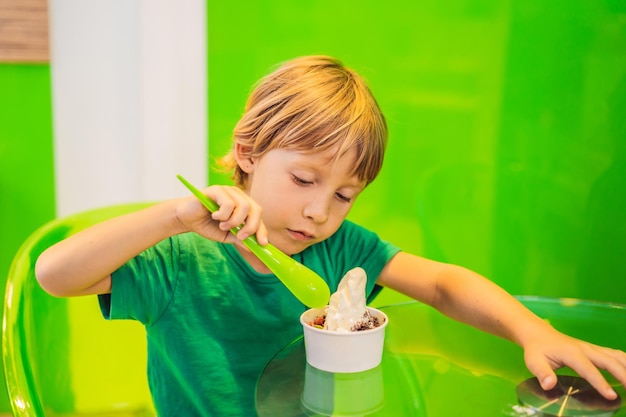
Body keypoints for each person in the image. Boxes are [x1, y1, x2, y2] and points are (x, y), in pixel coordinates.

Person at [35, 55, 626, 417]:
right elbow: (55, 275)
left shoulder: (341, 251)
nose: (320, 211)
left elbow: (444, 285)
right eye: (303, 178)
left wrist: (535, 330)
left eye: (344, 194)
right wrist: (170, 218)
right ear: (247, 152)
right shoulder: (181, 258)